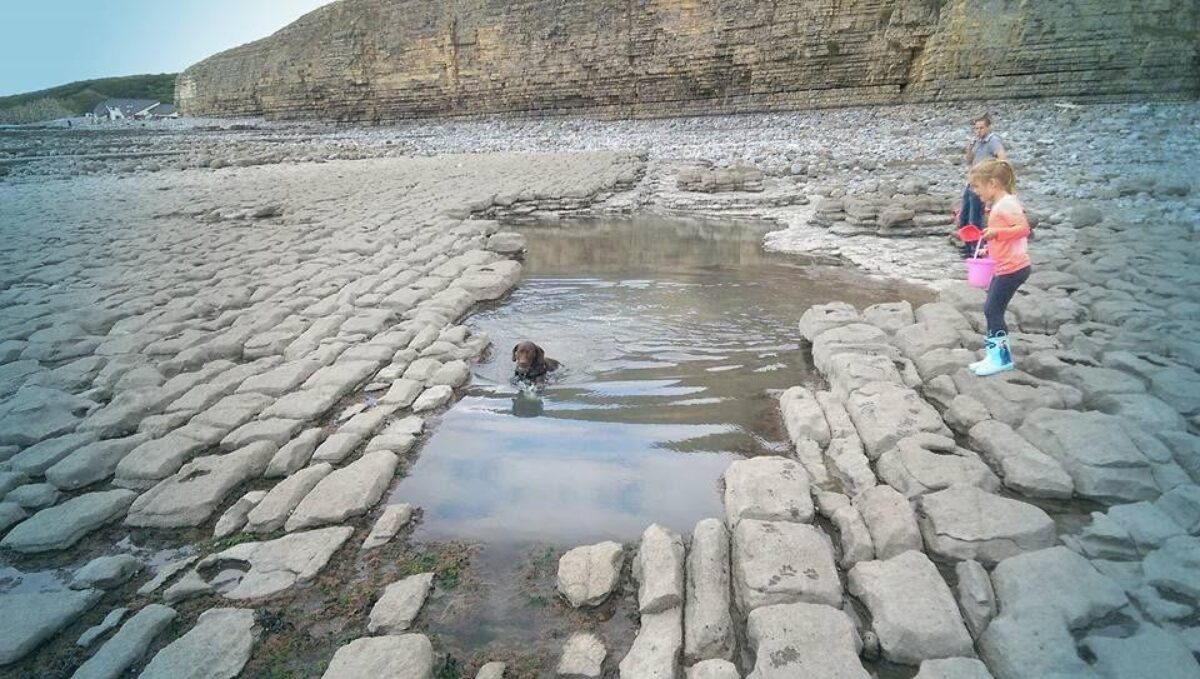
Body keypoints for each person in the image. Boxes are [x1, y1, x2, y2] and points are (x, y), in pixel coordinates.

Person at [967, 159, 1030, 376]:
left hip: (1013, 269)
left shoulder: (1007, 204)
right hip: (1004, 265)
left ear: (992, 184)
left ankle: (1001, 359)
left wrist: (996, 234)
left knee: (992, 310)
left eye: (977, 186)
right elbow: (1009, 237)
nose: (975, 192)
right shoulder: (1000, 204)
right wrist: (990, 250)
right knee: (992, 310)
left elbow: (1023, 229)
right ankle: (994, 356)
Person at [957, 115, 1008, 257]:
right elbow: (969, 161)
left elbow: (1002, 158)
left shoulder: (993, 141)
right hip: (972, 182)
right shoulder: (978, 142)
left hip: (982, 184)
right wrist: (969, 150)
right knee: (965, 215)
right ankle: (967, 245)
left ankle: (976, 248)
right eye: (976, 128)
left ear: (988, 127)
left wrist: (993, 179)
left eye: (981, 128)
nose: (978, 131)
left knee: (975, 216)